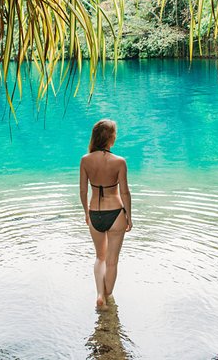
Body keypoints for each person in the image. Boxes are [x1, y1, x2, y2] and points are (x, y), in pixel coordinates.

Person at [79, 118, 132, 309]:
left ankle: (100, 294)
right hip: (115, 213)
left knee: (99, 257)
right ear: (111, 138)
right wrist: (129, 217)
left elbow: (83, 191)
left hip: (95, 213)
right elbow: (125, 192)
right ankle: (108, 297)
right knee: (112, 261)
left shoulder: (85, 160)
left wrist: (86, 212)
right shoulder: (119, 162)